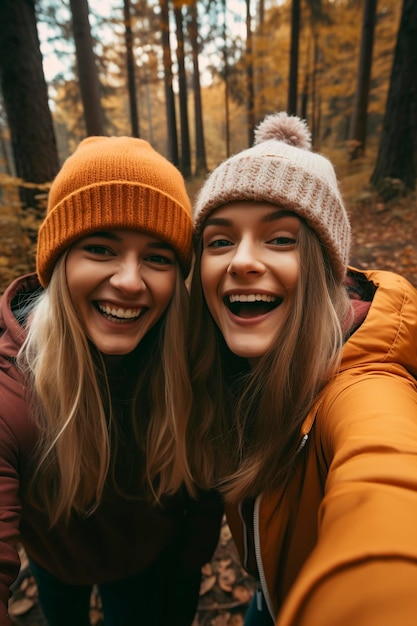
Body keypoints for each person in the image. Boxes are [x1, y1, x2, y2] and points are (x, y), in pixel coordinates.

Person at [188, 111, 417, 626]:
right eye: (219, 241)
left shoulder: (366, 385)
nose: (240, 261)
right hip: (268, 595)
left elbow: (387, 473)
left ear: (322, 265)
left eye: (280, 239)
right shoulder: (222, 356)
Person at [0, 136, 222, 626]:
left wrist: (189, 565)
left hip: (144, 564)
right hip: (54, 563)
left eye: (158, 257)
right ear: (59, 262)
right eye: (100, 249)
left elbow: (206, 485)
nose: (128, 280)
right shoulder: (11, 387)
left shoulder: (192, 361)